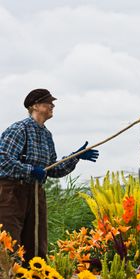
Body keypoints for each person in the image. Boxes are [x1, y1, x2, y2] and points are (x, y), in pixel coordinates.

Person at [0, 88, 99, 261]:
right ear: (35, 106)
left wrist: (75, 157)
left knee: (36, 245)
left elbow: (53, 169)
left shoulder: (46, 135)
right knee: (10, 243)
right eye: (48, 102)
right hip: (12, 193)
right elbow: (3, 159)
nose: (52, 105)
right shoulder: (18, 129)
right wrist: (30, 170)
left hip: (36, 193)